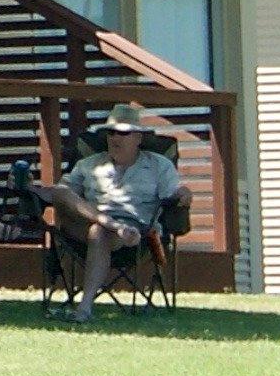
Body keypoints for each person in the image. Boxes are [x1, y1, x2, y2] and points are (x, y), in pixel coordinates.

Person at [49, 108, 188, 308]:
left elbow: (174, 194)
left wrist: (184, 195)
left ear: (138, 137)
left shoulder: (159, 165)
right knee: (61, 192)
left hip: (135, 231)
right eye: (111, 133)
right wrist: (28, 186)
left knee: (99, 231)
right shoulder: (87, 165)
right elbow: (62, 193)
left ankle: (85, 306)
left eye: (123, 133)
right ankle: (112, 225)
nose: (115, 138)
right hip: (84, 225)